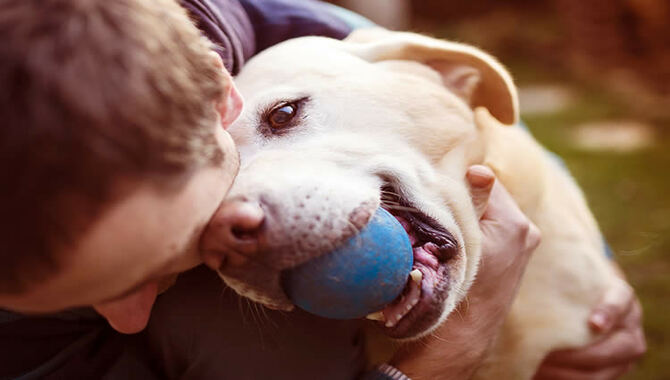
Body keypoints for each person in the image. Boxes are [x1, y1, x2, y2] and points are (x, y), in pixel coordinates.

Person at [0, 0, 644, 378]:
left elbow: (472, 118)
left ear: (220, 98)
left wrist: (592, 280)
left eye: (281, 119)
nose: (130, 317)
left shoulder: (311, 38)